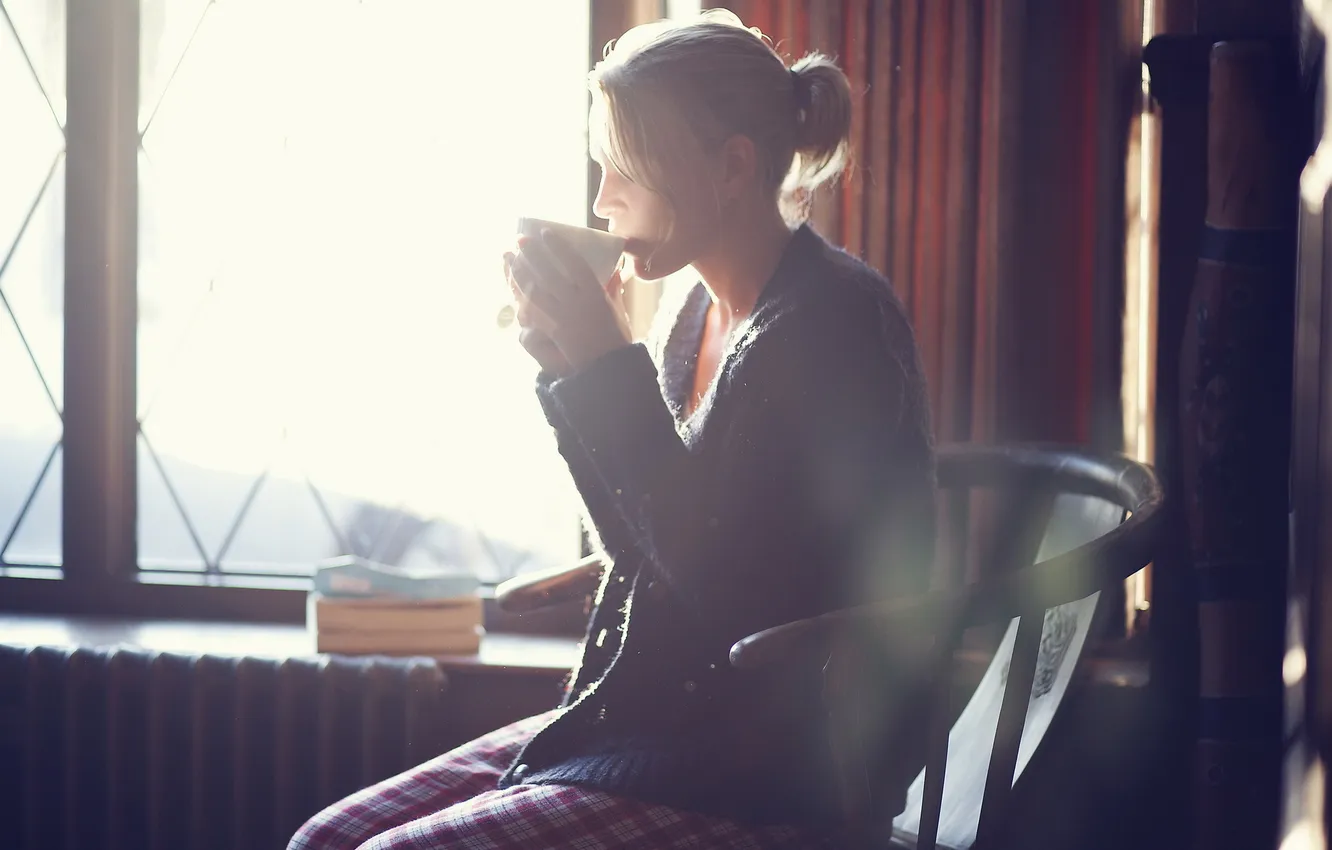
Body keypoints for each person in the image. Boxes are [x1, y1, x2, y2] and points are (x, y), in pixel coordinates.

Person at [290, 9, 935, 849]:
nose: (602, 202)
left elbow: (726, 595)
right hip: (649, 729)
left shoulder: (831, 324)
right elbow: (646, 547)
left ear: (732, 167)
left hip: (767, 770)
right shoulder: (692, 314)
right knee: (324, 839)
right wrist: (569, 367)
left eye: (625, 170)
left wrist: (604, 369)